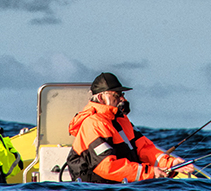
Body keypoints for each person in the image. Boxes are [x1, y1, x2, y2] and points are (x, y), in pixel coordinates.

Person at [65, 71, 194, 183]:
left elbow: (144, 149)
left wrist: (170, 163)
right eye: (117, 95)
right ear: (101, 97)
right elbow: (106, 166)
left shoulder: (121, 120)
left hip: (123, 188)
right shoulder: (93, 124)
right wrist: (150, 173)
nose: (122, 99)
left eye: (122, 94)